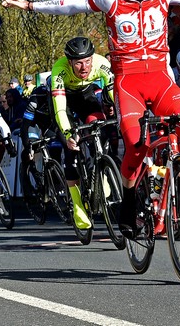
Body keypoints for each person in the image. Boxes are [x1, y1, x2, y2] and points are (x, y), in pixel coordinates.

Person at [2, 0, 180, 237]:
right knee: (135, 145)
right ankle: (129, 201)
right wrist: (31, 5)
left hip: (162, 80)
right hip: (128, 84)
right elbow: (71, 5)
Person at [50, 36, 115, 229]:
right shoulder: (59, 71)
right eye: (78, 63)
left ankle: (101, 172)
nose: (84, 67)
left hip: (86, 95)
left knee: (100, 129)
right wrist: (69, 134)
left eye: (87, 61)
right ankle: (78, 206)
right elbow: (60, 109)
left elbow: (114, 94)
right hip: (64, 102)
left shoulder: (102, 64)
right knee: (71, 150)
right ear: (70, 62)